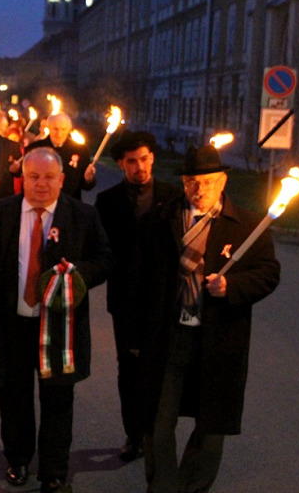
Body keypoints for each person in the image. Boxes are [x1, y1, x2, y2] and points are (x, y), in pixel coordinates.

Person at [136, 144, 281, 493]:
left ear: (222, 181)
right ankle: (164, 487)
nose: (199, 191)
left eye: (208, 182)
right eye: (191, 183)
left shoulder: (247, 225)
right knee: (157, 422)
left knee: (211, 426)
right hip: (168, 339)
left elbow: (268, 273)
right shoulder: (160, 219)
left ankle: (192, 487)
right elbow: (138, 277)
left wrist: (232, 285)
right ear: (183, 182)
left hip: (219, 341)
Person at [0, 147, 113, 493]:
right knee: (13, 400)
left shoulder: (82, 216)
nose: (41, 184)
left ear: (62, 180)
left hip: (59, 329)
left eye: (49, 177)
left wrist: (77, 274)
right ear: (23, 178)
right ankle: (17, 459)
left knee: (58, 402)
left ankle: (54, 471)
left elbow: (105, 258)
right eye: (33, 176)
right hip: (11, 326)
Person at [94, 130, 181, 462]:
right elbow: (101, 250)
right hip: (126, 300)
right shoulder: (108, 202)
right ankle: (133, 433)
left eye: (144, 159)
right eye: (132, 161)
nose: (139, 167)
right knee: (128, 367)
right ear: (120, 164)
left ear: (152, 159)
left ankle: (155, 431)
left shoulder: (173, 198)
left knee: (158, 366)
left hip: (163, 299)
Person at [25, 112, 96, 199]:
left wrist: (88, 179)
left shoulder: (80, 150)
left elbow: (86, 186)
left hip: (70, 204)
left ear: (68, 130)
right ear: (49, 128)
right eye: (56, 129)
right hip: (41, 201)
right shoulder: (35, 149)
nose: (59, 133)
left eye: (63, 129)